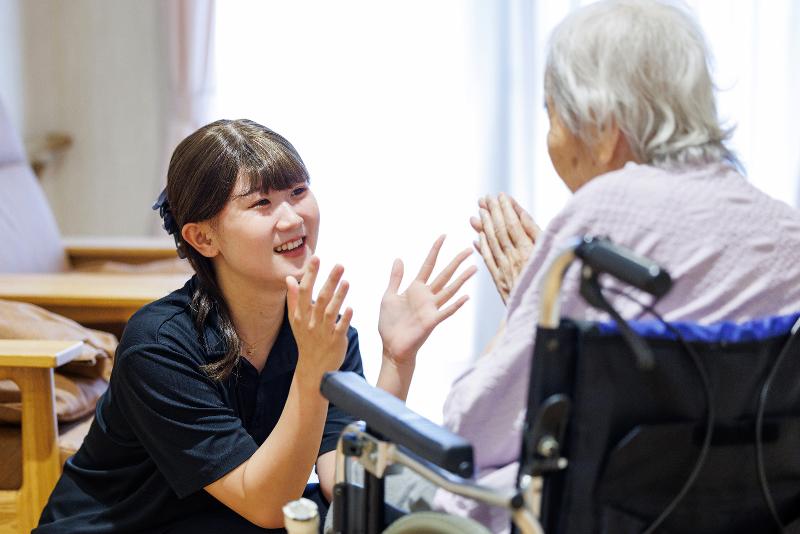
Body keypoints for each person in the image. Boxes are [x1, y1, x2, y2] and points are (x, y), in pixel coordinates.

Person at [435, 0, 800, 531]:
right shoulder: (787, 232)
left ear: (602, 127)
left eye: (552, 114)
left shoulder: (602, 219)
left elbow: (473, 432)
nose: (552, 139)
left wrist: (527, 310)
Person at [35, 119, 475, 533]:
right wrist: (313, 371)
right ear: (203, 238)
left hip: (229, 520)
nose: (292, 218)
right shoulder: (158, 345)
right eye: (261, 203)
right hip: (130, 527)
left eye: (298, 191)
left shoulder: (321, 333)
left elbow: (347, 481)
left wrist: (397, 360)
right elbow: (267, 505)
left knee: (365, 513)